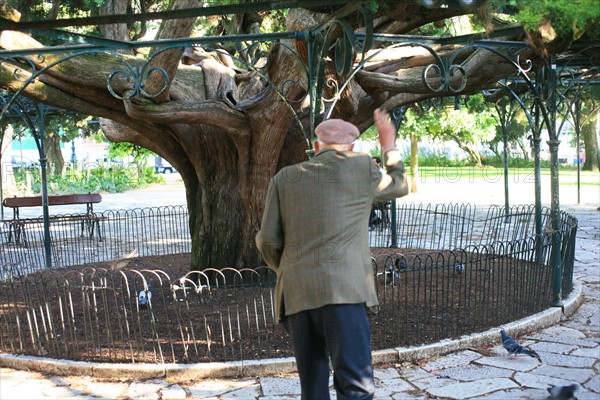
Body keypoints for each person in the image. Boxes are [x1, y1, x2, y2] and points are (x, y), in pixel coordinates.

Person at [255, 108, 408, 399]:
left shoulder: (285, 178)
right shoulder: (362, 167)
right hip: (344, 294)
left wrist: (289, 268)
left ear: (315, 147)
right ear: (351, 148)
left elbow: (267, 241)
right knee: (355, 386)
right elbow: (399, 185)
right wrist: (388, 144)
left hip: (297, 295)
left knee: (312, 387)